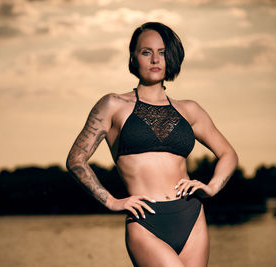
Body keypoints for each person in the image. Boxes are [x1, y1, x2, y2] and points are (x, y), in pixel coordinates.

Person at [66, 22, 238, 267]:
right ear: (134, 58)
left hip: (192, 217)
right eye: (146, 52)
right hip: (146, 221)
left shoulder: (189, 109)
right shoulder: (112, 105)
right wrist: (112, 201)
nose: (155, 59)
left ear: (171, 58)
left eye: (163, 52)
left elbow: (228, 154)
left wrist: (212, 187)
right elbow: (75, 160)